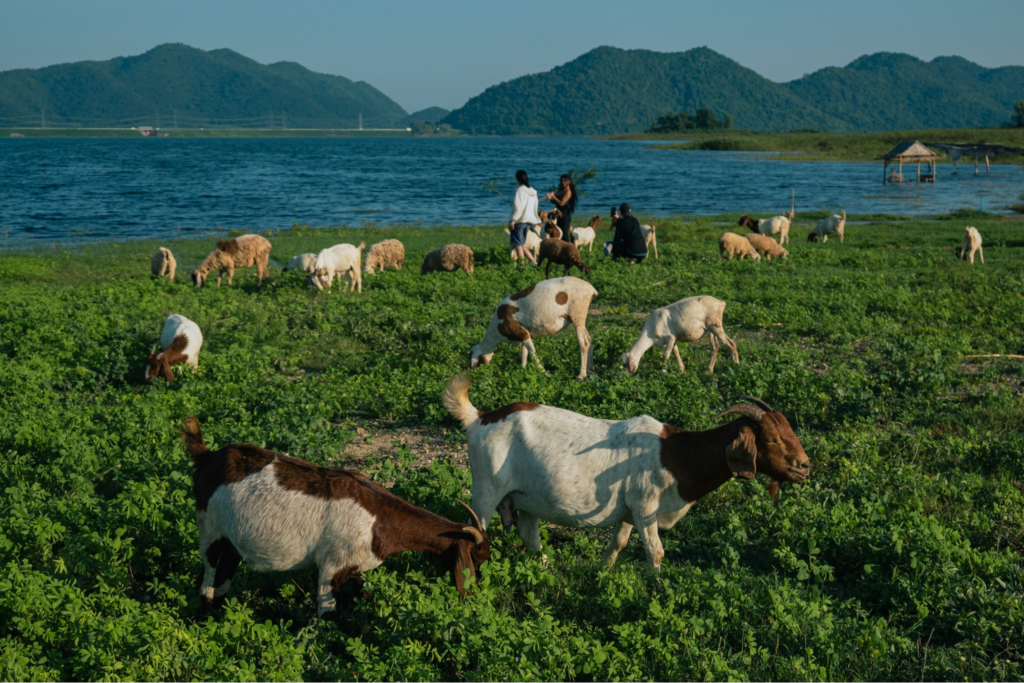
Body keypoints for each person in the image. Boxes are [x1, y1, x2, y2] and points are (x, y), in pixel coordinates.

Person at [508, 170, 539, 264]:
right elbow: (535, 206)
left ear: (518, 179)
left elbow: (518, 208)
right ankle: (534, 262)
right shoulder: (533, 191)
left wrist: (513, 220)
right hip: (529, 221)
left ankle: (521, 265)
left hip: (519, 220)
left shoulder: (520, 190)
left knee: (518, 244)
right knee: (521, 244)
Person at [545, 173, 577, 243]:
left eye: (565, 181)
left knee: (564, 233)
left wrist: (553, 196)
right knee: (558, 232)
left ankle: (568, 247)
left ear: (569, 181)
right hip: (558, 213)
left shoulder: (568, 192)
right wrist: (550, 198)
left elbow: (562, 203)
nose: (563, 182)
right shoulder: (561, 189)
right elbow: (556, 202)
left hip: (565, 213)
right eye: (562, 181)